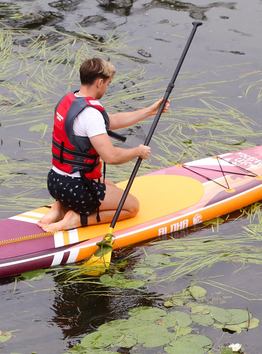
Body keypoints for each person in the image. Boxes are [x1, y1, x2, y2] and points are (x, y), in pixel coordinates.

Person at [38, 57, 169, 232]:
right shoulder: (90, 114)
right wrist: (137, 152)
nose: (107, 88)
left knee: (111, 186)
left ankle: (58, 208)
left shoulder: (70, 100)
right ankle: (75, 219)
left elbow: (112, 120)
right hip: (76, 188)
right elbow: (111, 156)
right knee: (132, 207)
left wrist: (149, 111)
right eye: (108, 83)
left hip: (55, 182)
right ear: (99, 82)